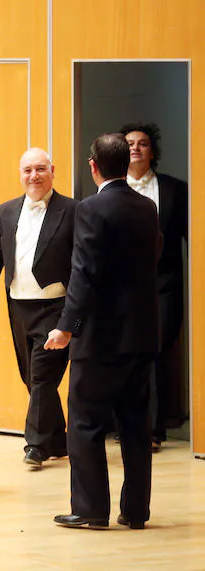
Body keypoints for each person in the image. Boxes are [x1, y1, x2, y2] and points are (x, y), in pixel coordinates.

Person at [46, 133, 160, 530]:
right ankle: (136, 511)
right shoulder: (147, 208)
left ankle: (91, 509)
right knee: (135, 425)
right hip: (141, 335)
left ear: (92, 166)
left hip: (100, 339)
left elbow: (85, 275)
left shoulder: (90, 209)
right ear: (125, 164)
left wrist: (66, 328)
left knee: (85, 423)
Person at [0, 148, 76, 469]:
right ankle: (59, 440)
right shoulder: (5, 211)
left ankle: (35, 445)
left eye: (40, 169)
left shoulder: (72, 210)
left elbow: (81, 261)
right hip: (18, 305)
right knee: (31, 377)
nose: (34, 176)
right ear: (20, 174)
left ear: (53, 171)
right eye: (28, 170)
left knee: (43, 376)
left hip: (56, 305)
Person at [120, 122, 187, 451]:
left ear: (153, 152)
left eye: (142, 143)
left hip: (164, 288)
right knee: (126, 357)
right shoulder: (109, 190)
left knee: (156, 355)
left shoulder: (176, 190)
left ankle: (153, 430)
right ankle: (126, 427)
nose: (135, 148)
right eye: (129, 143)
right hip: (121, 292)